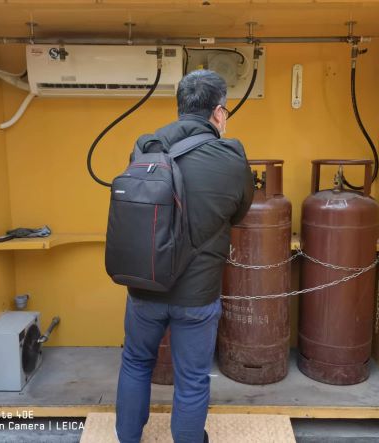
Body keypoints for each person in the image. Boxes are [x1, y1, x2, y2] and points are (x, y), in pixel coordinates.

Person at [115, 70, 254, 443]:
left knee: (135, 363)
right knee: (192, 378)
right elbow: (239, 213)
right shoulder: (232, 157)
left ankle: (127, 438)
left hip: (145, 286)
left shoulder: (145, 147)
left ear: (180, 108)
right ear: (219, 113)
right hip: (197, 294)